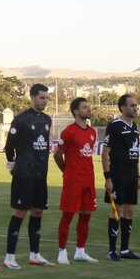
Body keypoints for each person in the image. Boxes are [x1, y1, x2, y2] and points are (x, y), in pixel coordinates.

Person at [2, 84, 55, 269]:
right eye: (41, 97)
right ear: (32, 97)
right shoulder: (21, 120)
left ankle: (35, 255)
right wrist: (12, 164)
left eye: (46, 98)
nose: (45, 101)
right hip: (24, 174)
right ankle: (9, 257)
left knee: (38, 212)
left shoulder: (47, 120)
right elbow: (9, 146)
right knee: (20, 212)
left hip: (41, 174)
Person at [54, 97, 99, 264]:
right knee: (68, 215)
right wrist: (67, 171)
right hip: (73, 181)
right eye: (84, 107)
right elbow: (57, 155)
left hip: (89, 180)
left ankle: (80, 251)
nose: (88, 109)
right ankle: (62, 251)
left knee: (86, 215)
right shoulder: (69, 132)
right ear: (76, 112)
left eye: (88, 106)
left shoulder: (92, 131)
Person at [101, 94, 140, 261]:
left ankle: (125, 249)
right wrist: (108, 178)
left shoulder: (134, 126)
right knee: (116, 211)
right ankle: (112, 251)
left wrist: (138, 177)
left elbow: (136, 154)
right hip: (118, 175)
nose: (135, 108)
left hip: (132, 175)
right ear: (123, 108)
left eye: (136, 105)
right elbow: (105, 153)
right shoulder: (114, 125)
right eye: (132, 105)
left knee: (129, 211)